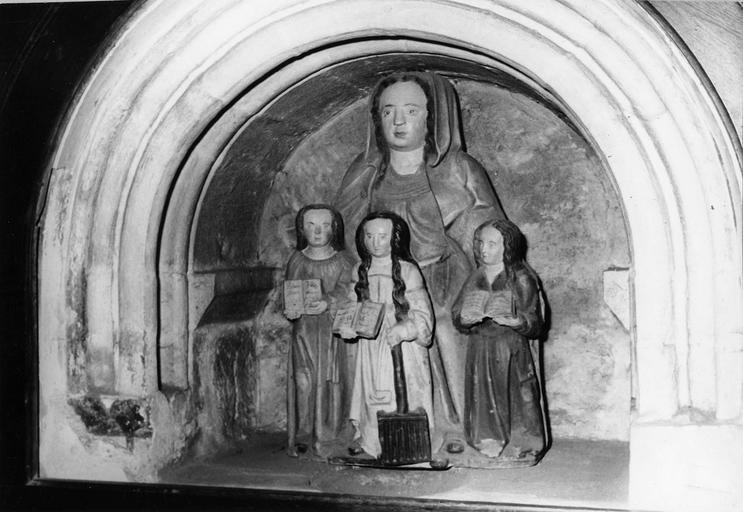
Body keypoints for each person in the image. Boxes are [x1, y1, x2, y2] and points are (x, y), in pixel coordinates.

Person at [333, 71, 507, 453]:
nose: (398, 121)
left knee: (447, 322)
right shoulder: (364, 174)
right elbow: (344, 234)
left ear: (433, 119)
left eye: (411, 110)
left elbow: (490, 233)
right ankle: (375, 433)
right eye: (388, 111)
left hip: (444, 273)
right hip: (382, 281)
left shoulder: (460, 169)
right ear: (376, 120)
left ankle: (457, 429)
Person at [337, 211, 434, 458]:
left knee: (399, 392)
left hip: (402, 346)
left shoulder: (408, 271)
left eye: (382, 236)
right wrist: (348, 326)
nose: (375, 242)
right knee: (372, 390)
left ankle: (405, 441)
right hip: (370, 344)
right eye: (369, 236)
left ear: (395, 239)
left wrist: (406, 329)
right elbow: (350, 305)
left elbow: (423, 313)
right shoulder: (359, 269)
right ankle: (371, 440)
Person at [451, 219, 546, 460]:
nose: (484, 249)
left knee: (514, 393)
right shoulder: (477, 276)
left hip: (509, 347)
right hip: (480, 346)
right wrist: (465, 318)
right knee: (481, 394)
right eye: (481, 243)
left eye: (492, 244)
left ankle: (523, 440)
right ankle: (487, 438)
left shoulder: (521, 278)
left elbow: (535, 322)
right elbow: (457, 312)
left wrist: (517, 322)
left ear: (508, 247)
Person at [283, 204, 355, 458]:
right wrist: (290, 310)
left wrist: (329, 301)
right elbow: (289, 291)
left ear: (334, 229)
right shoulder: (297, 259)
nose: (317, 231)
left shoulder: (344, 260)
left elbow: (350, 289)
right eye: (311, 225)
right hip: (304, 333)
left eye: (324, 226)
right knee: (304, 382)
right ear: (302, 229)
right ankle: (303, 434)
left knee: (331, 382)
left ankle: (331, 434)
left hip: (332, 333)